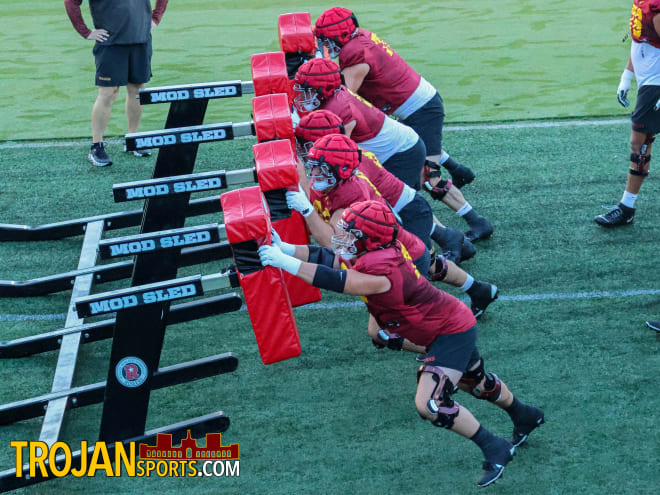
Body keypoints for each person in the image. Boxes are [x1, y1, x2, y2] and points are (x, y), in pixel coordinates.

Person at [258, 200, 544, 487]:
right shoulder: (373, 252)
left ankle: (494, 448)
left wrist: (285, 263)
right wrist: (285, 249)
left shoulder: (381, 269)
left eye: (350, 233)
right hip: (443, 326)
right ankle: (525, 415)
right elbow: (330, 257)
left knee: (430, 403)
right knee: (477, 383)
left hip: (449, 331)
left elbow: (337, 279)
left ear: (368, 239)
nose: (342, 237)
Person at [286, 133, 498, 318]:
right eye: (312, 167)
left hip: (399, 236)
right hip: (394, 232)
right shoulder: (341, 175)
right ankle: (479, 289)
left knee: (402, 310)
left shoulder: (348, 193)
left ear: (340, 168)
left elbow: (334, 244)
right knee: (429, 263)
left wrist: (307, 210)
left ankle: (452, 330)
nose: (314, 173)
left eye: (320, 169)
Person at [293, 58, 493, 243]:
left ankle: (450, 240)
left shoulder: (338, 106)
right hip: (397, 145)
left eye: (308, 89)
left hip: (399, 151)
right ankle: (461, 230)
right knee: (408, 199)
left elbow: (335, 154)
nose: (302, 94)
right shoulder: (335, 98)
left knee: (403, 205)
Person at [313, 7, 476, 189]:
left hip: (422, 111)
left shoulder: (354, 53)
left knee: (431, 179)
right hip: (417, 106)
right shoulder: (360, 37)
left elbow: (342, 94)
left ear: (342, 34)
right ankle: (459, 171)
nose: (325, 44)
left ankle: (474, 218)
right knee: (417, 145)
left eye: (328, 39)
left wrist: (318, 65)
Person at [294, 109, 476, 264]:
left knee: (416, 264)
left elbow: (341, 234)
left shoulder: (347, 167)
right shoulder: (345, 156)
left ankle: (467, 277)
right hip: (396, 205)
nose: (304, 151)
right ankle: (457, 246)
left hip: (399, 208)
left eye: (307, 144)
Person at [65, 0, 168, 167]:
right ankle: (96, 146)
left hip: (141, 39)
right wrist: (85, 32)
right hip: (111, 43)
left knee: (137, 89)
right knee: (108, 93)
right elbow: (71, 2)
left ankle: (132, 139)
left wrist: (156, 17)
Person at [595, 0, 660, 227]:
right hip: (647, 78)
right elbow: (639, 41)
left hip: (656, 82)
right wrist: (627, 77)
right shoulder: (643, 2)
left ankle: (626, 208)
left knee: (639, 142)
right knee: (642, 141)